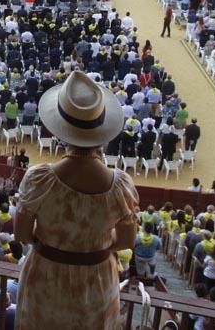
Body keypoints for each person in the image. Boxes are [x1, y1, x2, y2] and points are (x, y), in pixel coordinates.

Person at [14, 71, 138, 329]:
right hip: (97, 281)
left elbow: (23, 234)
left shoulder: (39, 180)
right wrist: (92, 246)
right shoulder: (121, 186)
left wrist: (55, 241)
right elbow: (126, 241)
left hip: (45, 277)